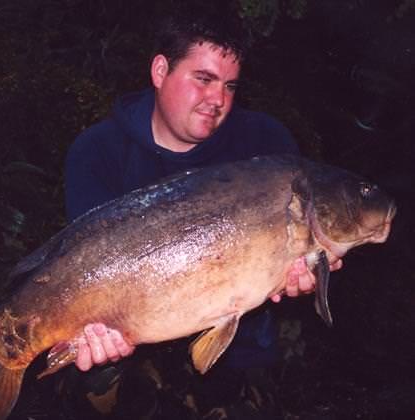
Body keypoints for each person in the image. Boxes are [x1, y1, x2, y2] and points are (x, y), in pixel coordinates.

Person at [64, 11, 341, 412]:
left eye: (230, 85)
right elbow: (82, 271)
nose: (219, 100)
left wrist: (301, 279)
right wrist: (93, 334)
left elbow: (291, 273)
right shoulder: (96, 152)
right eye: (204, 79)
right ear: (160, 70)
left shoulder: (266, 145)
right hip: (133, 350)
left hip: (238, 347)